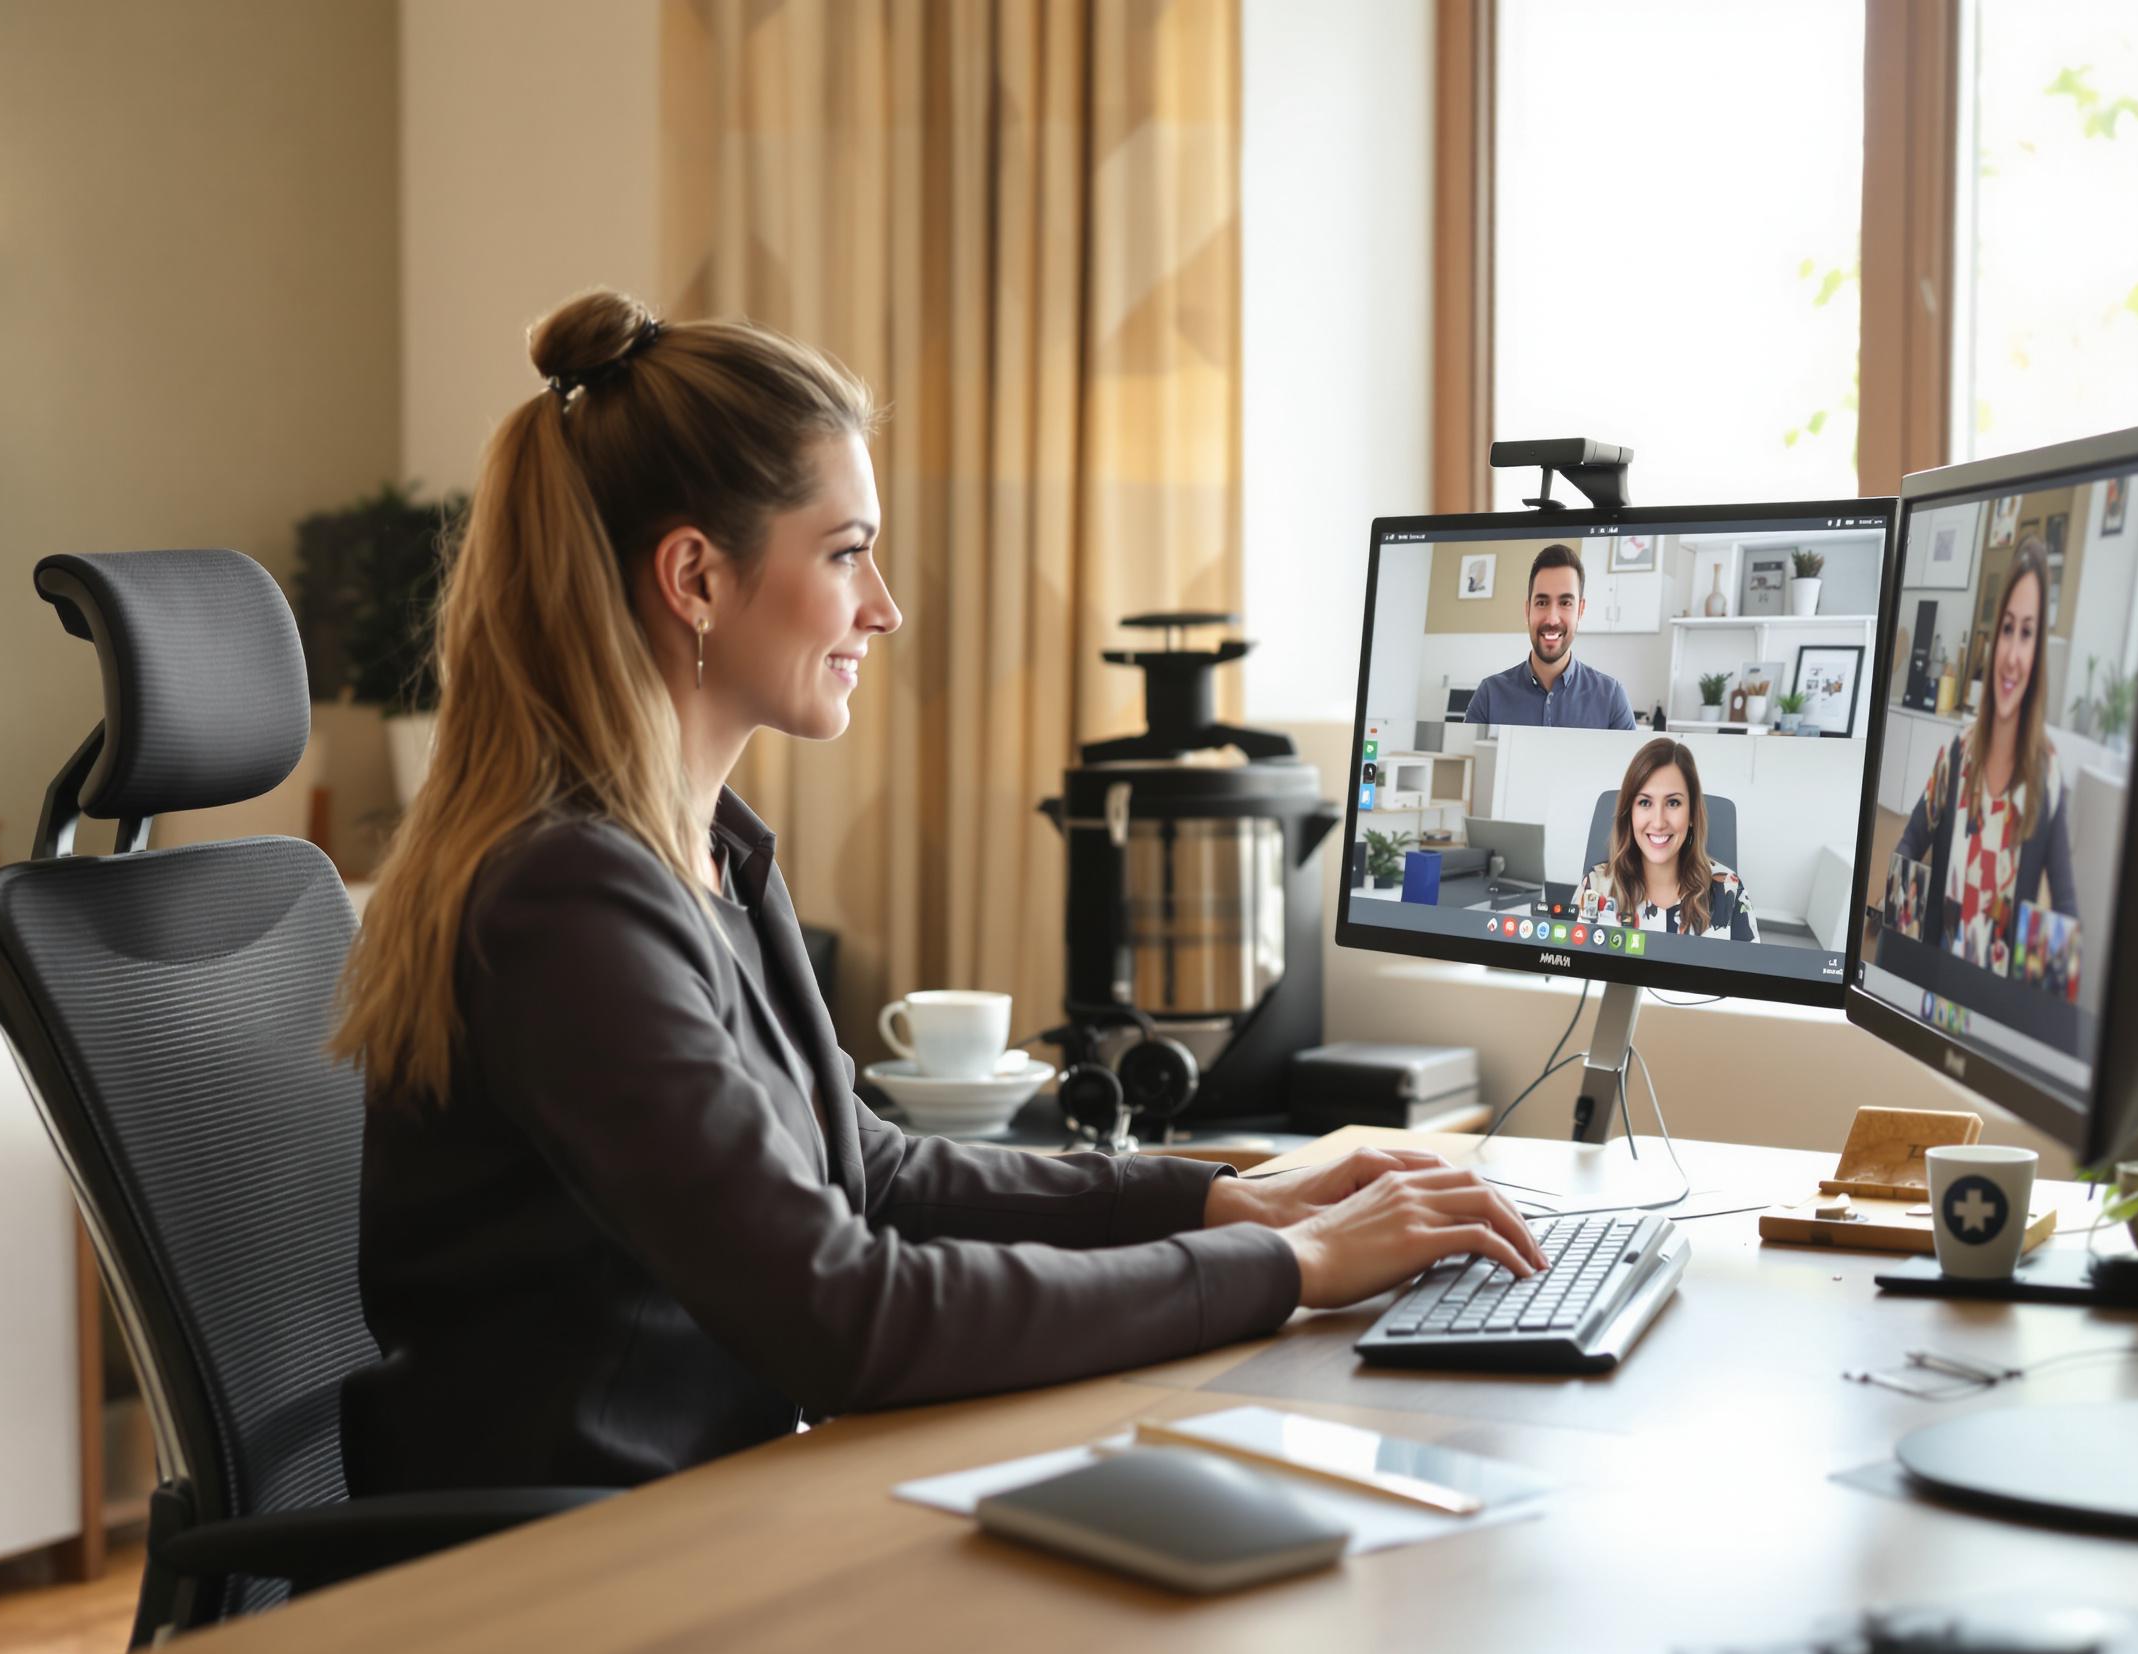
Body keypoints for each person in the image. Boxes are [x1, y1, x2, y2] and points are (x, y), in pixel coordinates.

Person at [330, 292, 1545, 1494]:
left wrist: (1229, 1198)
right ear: (695, 578)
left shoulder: (707, 852)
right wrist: (1287, 1264)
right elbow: (843, 1310)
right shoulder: (567, 898)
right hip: (572, 1569)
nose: (885, 607)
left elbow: (877, 1174)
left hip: (717, 1501)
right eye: (846, 552)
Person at [1891, 537, 2078, 973]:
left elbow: (2066, 903)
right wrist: (1898, 953)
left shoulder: (2047, 776)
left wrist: (2048, 996)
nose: (2013, 654)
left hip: (1998, 1002)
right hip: (1937, 986)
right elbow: (1909, 842)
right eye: (2007, 629)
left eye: (2027, 633)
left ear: (2038, 650)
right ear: (1993, 640)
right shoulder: (1957, 754)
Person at [1572, 738, 1755, 940]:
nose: (1658, 822)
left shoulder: (1730, 889)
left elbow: (1752, 969)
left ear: (1692, 814)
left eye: (1673, 803)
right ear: (1629, 813)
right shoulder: (1595, 887)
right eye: (1644, 802)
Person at [1460, 544, 1637, 729]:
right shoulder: (1489, 695)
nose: (1552, 619)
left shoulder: (1612, 697)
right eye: (1542, 602)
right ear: (1528, 610)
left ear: (1581, 610)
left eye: (1565, 602)